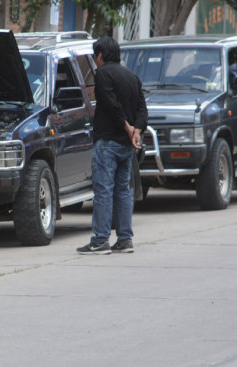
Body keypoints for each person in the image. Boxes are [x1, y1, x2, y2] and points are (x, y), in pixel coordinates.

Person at [76, 36, 147, 255]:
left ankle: (100, 241)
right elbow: (142, 109)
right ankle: (125, 239)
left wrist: (127, 127)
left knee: (104, 191)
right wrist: (137, 130)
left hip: (107, 142)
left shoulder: (103, 73)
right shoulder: (131, 76)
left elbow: (109, 102)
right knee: (123, 191)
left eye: (95, 56)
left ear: (100, 55)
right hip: (126, 146)